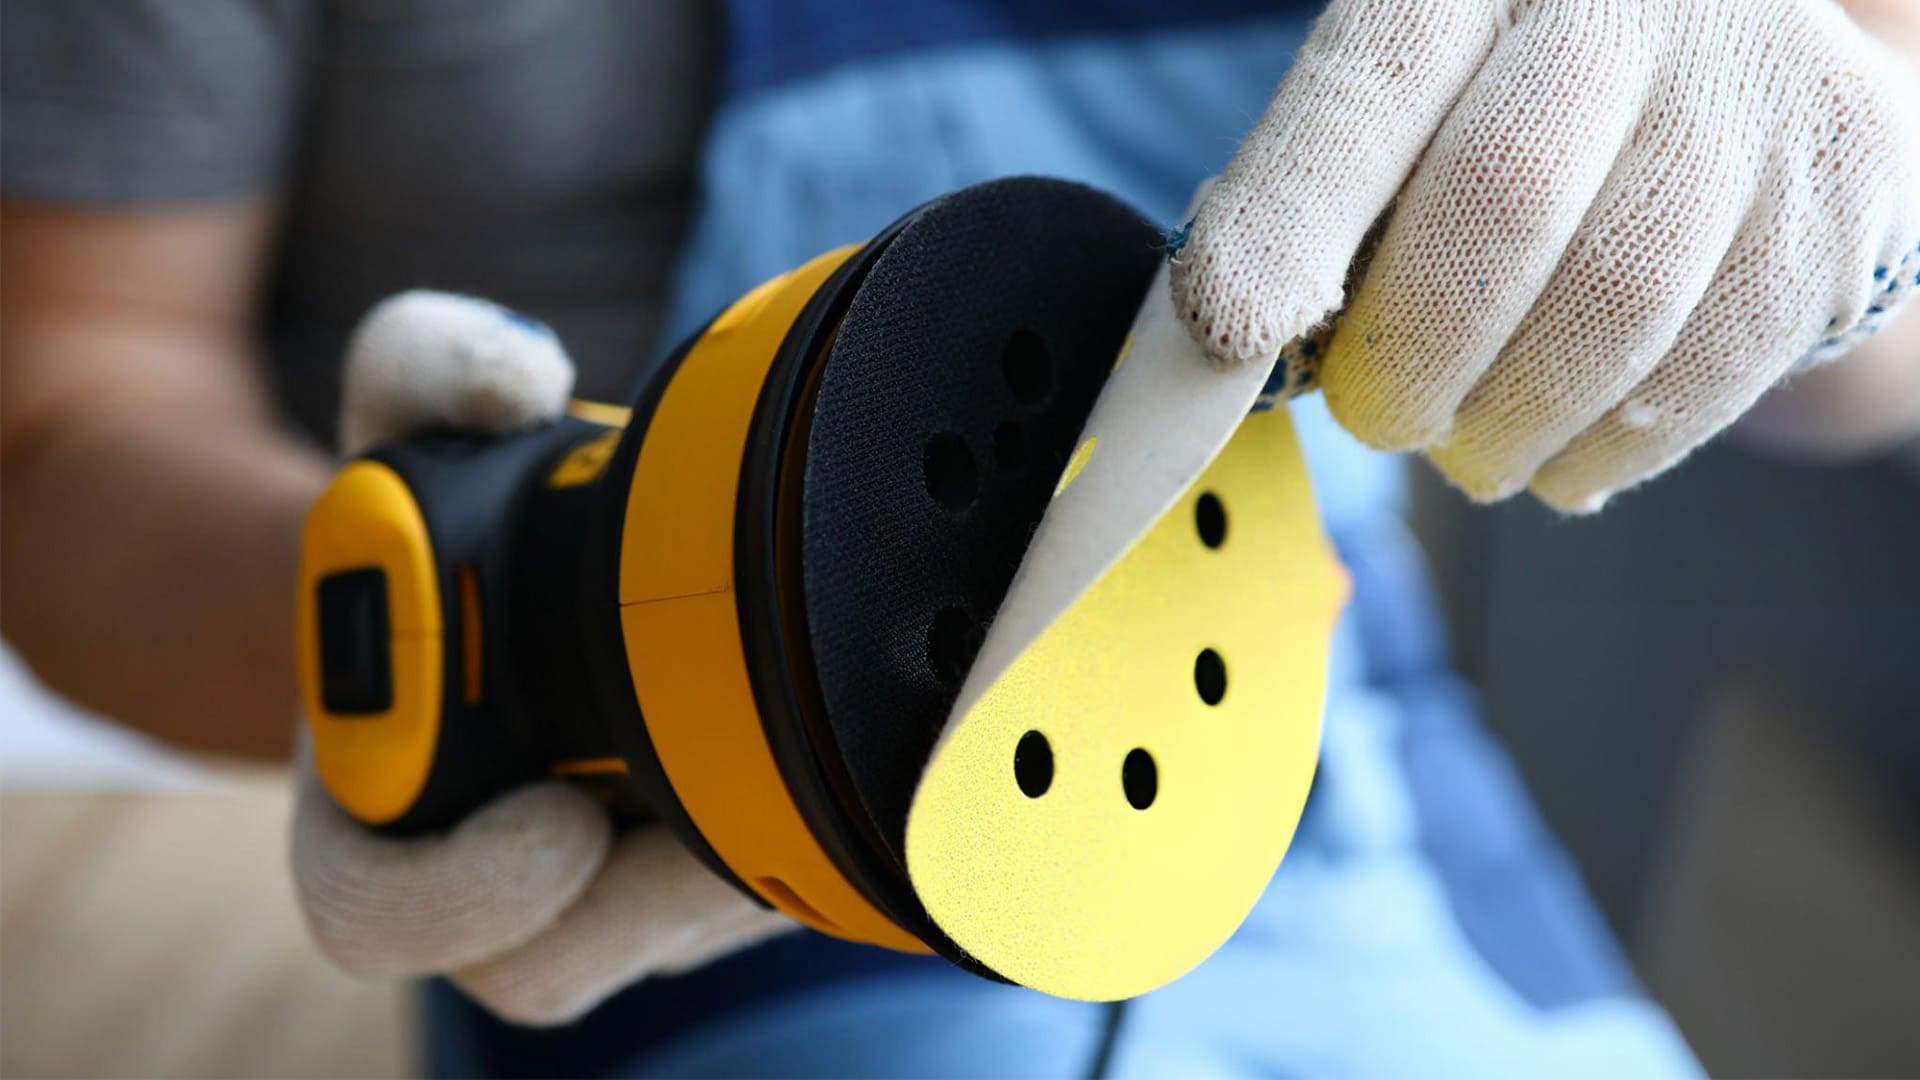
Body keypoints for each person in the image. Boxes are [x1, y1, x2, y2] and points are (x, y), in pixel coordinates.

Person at [3, 0, 1914, 1075]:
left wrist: (1835, 173)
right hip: (674, 856)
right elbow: (69, 404)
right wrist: (447, 635)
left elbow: (1881, 356)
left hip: (1346, 757)